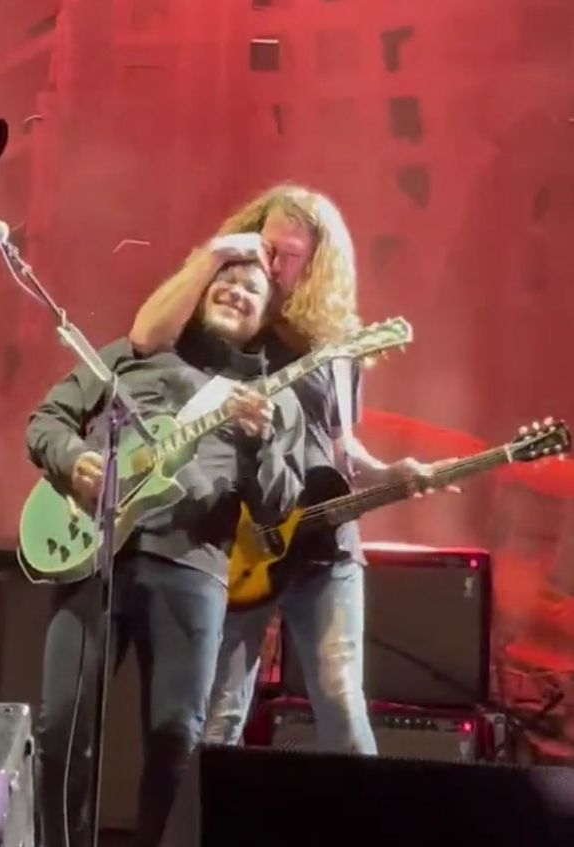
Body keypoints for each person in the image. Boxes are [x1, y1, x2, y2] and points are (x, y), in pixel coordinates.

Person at [130, 182, 457, 756]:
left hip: (321, 543)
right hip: (239, 543)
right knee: (220, 714)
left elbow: (342, 454)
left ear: (315, 269)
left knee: (339, 699)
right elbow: (146, 343)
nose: (271, 262)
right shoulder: (226, 316)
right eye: (266, 245)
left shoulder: (331, 349)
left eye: (289, 256)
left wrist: (392, 472)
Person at [26, 258, 306, 847]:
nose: (234, 290)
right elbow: (47, 420)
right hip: (93, 557)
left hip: (192, 569)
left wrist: (260, 445)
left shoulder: (271, 400)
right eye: (225, 280)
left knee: (176, 738)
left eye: (252, 289)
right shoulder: (134, 354)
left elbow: (279, 504)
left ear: (266, 316)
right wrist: (72, 460)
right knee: (59, 728)